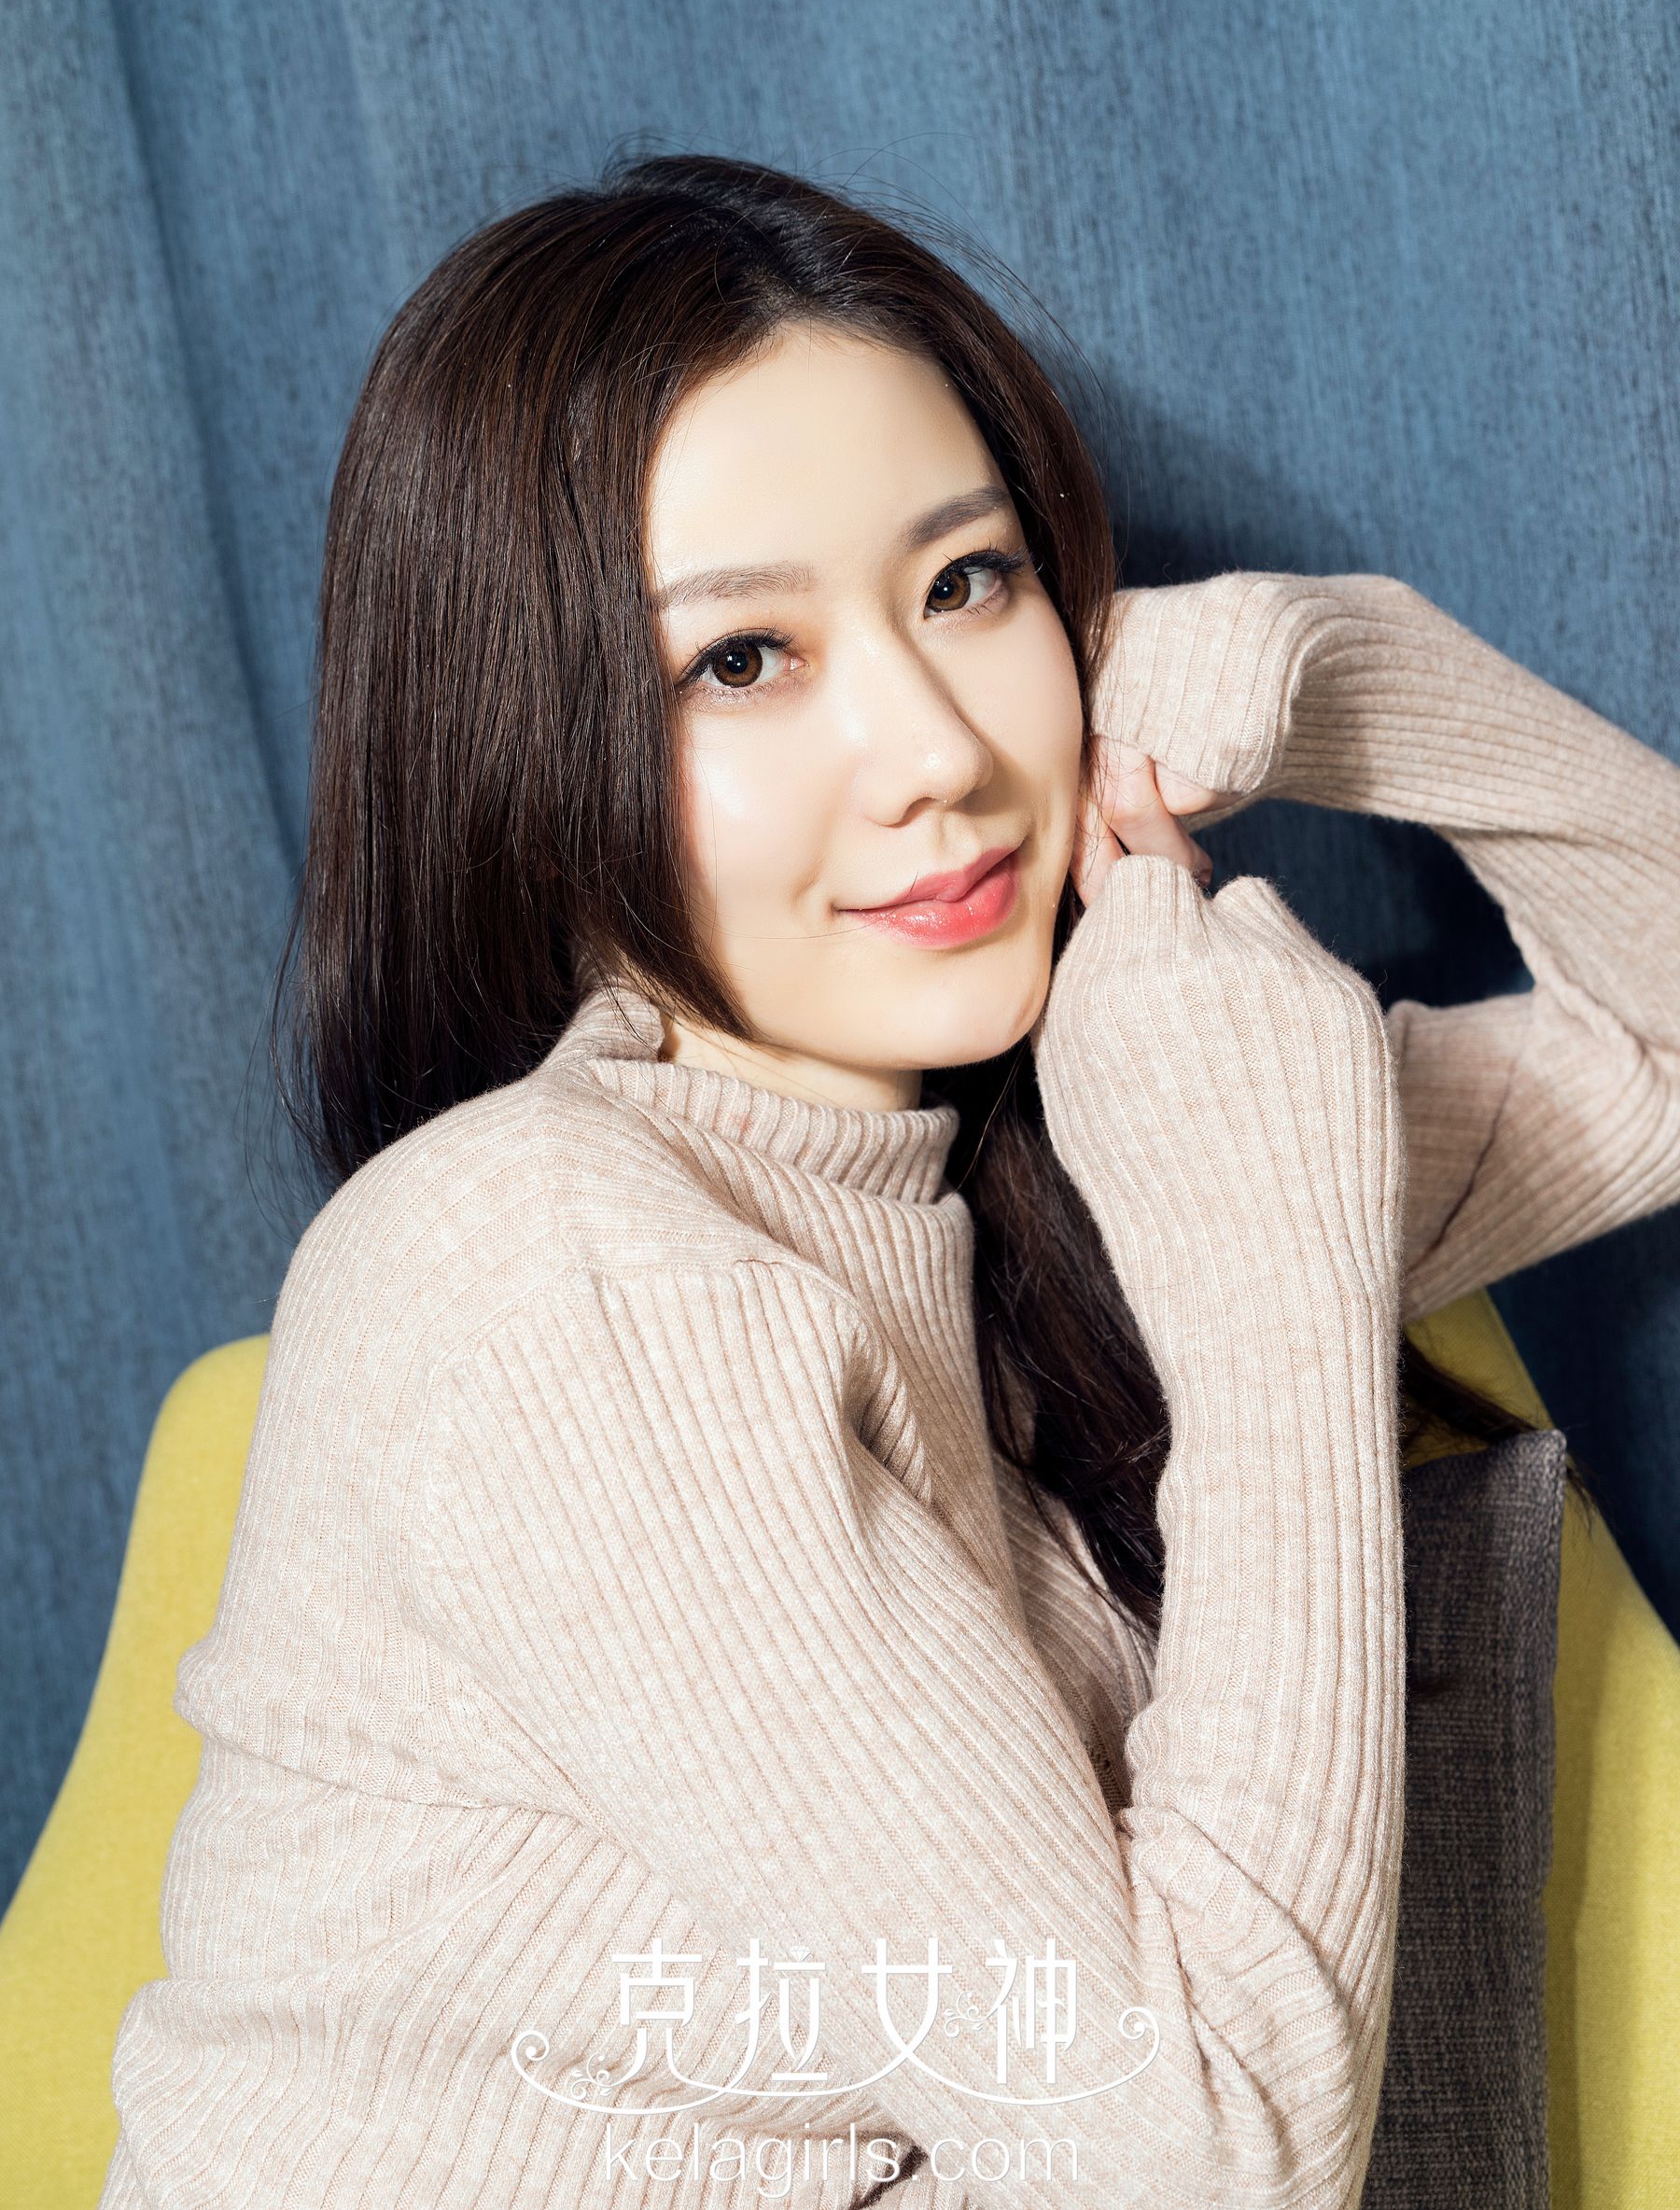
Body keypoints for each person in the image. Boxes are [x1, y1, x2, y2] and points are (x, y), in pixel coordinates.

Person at [99, 155, 1680, 2209]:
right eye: (741, 660)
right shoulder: (539, 1270)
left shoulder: (1094, 1152)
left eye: (967, 583)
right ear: (523, 741)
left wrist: (1348, 673)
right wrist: (1274, 1281)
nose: (935, 746)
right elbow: (1204, 2173)